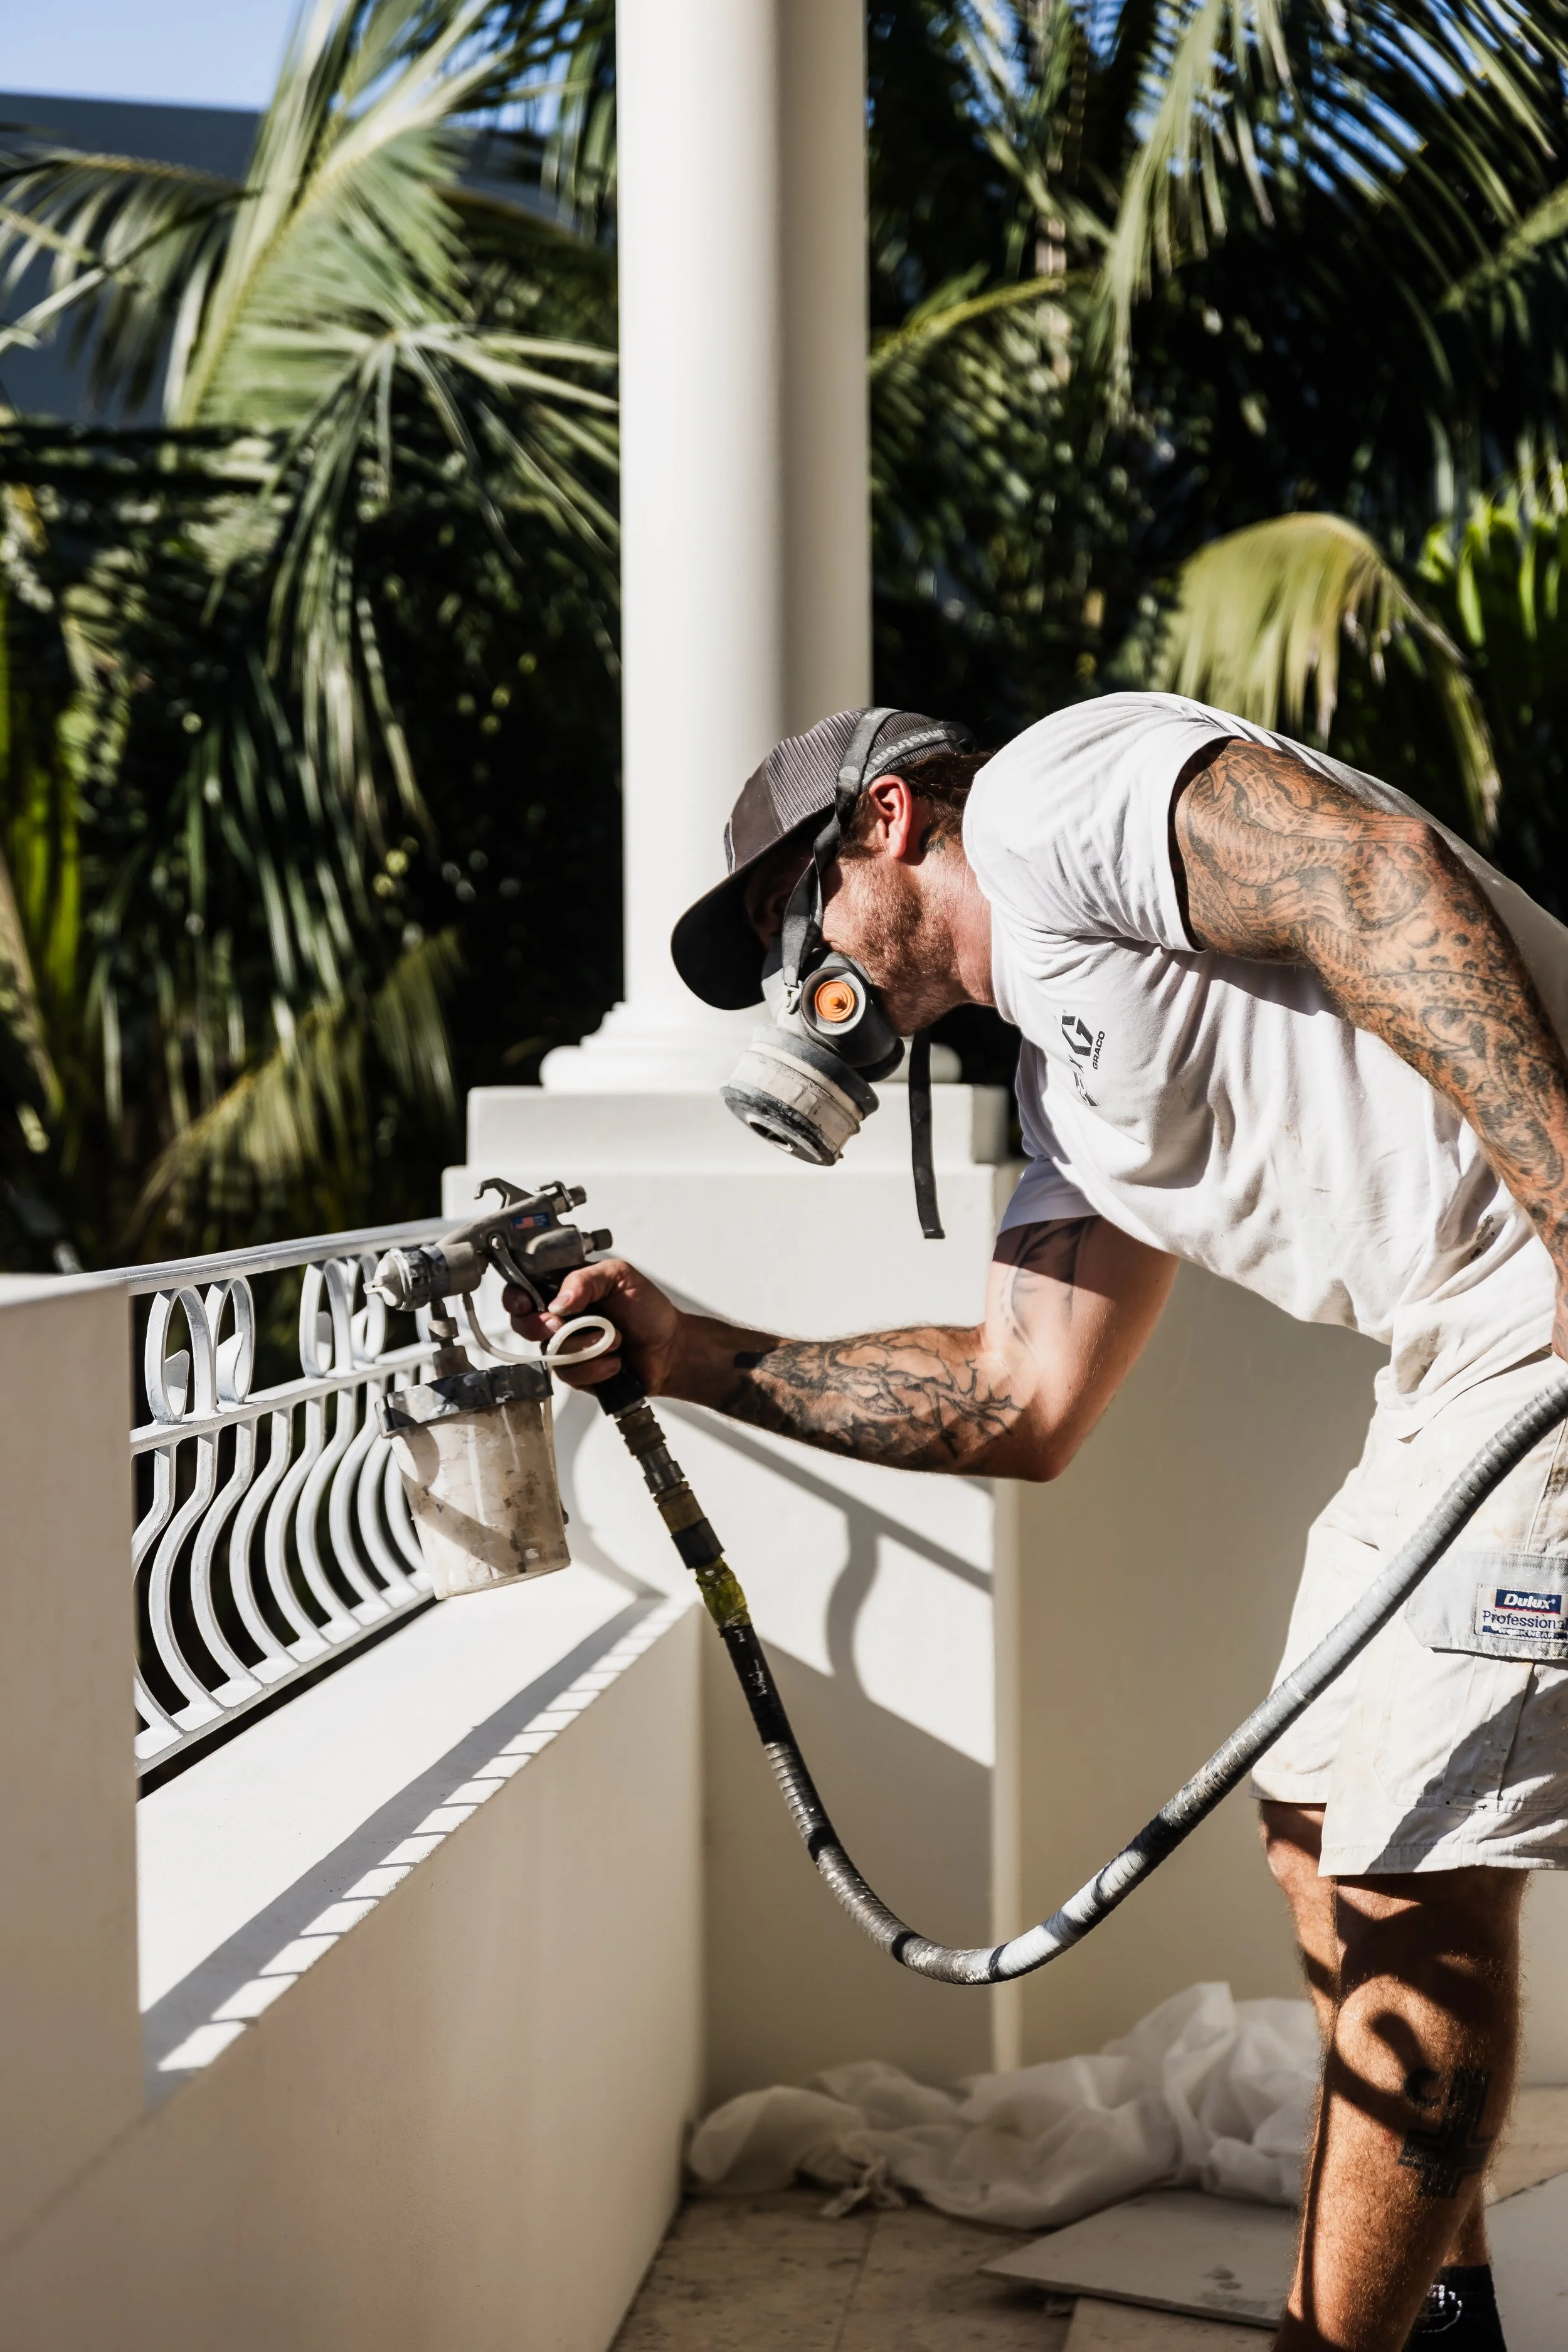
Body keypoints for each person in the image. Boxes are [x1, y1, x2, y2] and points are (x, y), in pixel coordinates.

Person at [506, 695, 1568, 2352]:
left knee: (1414, 1889)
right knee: (1310, 1834)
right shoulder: (1074, 1106)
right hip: (1457, 1351)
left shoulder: (1051, 796)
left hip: (1542, 1303)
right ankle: (1439, 2317)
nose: (804, 979)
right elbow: (1020, 1400)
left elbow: (1373, 872)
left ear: (884, 820)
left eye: (795, 917)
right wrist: (690, 1351)